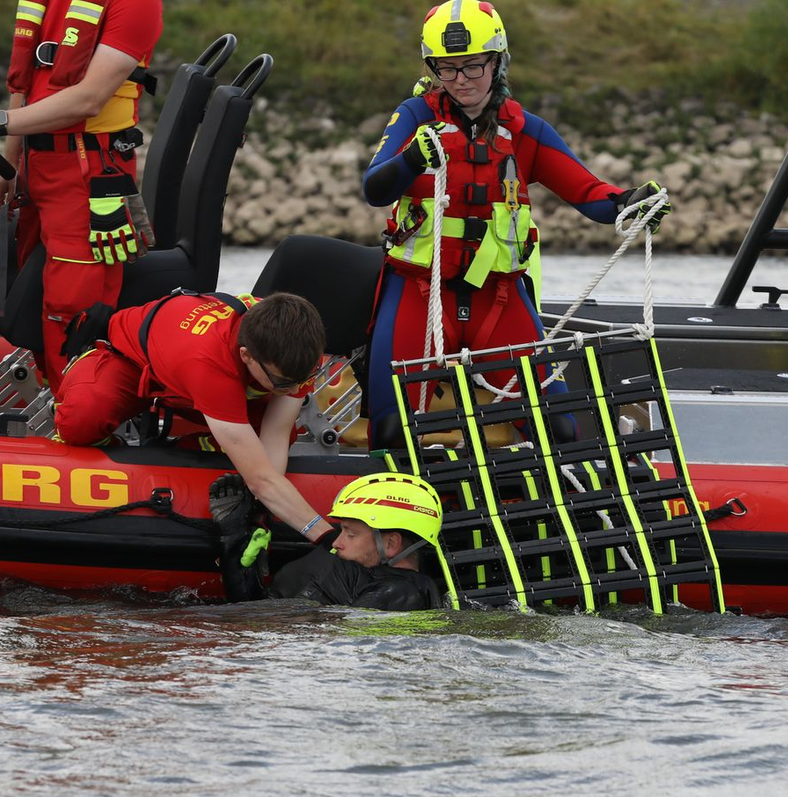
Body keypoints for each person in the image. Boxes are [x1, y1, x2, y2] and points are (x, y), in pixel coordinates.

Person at [361, 0, 669, 446]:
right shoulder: (414, 117)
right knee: (390, 430)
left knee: (558, 428)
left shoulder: (526, 131)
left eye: (473, 67)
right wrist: (412, 158)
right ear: (432, 69)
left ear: (498, 61)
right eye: (447, 70)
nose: (461, 81)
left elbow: (590, 195)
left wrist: (633, 202)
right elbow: (375, 189)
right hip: (417, 292)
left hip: (499, 297)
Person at [55, 290, 337, 544]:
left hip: (196, 377)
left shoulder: (296, 349)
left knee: (272, 439)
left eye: (304, 379)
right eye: (283, 382)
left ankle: (181, 451)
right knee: (82, 420)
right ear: (247, 356)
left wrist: (260, 510)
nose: (293, 390)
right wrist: (326, 537)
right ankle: (119, 451)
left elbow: (274, 437)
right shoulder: (210, 362)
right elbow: (262, 480)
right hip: (131, 360)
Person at [1, 0, 163, 393]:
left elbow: (89, 98)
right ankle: (46, 397)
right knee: (31, 290)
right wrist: (7, 163)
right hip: (35, 164)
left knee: (71, 309)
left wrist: (2, 123)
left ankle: (77, 416)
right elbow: (23, 83)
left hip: (88, 171)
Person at [213, 472, 444, 611]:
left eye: (350, 534)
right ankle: (232, 539)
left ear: (392, 544)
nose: (336, 542)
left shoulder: (401, 593)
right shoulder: (355, 571)